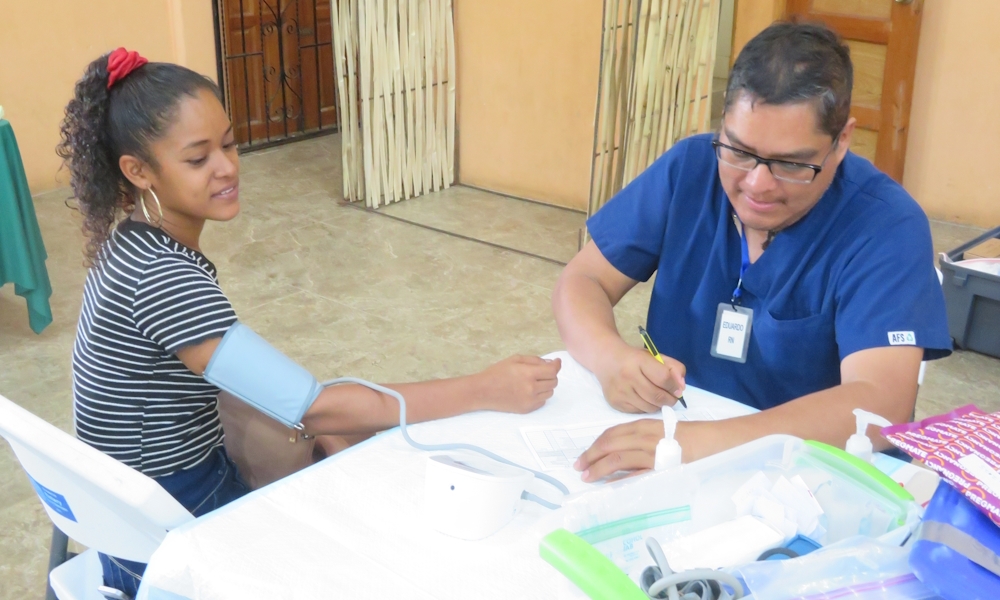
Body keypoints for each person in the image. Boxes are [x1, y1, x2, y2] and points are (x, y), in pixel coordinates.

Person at [59, 48, 561, 595]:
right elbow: (314, 403)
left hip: (127, 512)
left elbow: (264, 393)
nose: (227, 167)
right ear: (138, 171)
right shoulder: (164, 278)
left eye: (228, 143)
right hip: (170, 531)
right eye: (198, 158)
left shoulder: (131, 247)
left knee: (334, 437)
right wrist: (485, 388)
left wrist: (316, 428)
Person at [553, 22, 951, 483]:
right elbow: (583, 281)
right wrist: (611, 359)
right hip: (675, 447)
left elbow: (880, 401)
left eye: (790, 164)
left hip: (809, 479)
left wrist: (705, 444)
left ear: (842, 141)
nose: (757, 184)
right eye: (739, 151)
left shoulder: (885, 226)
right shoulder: (691, 169)